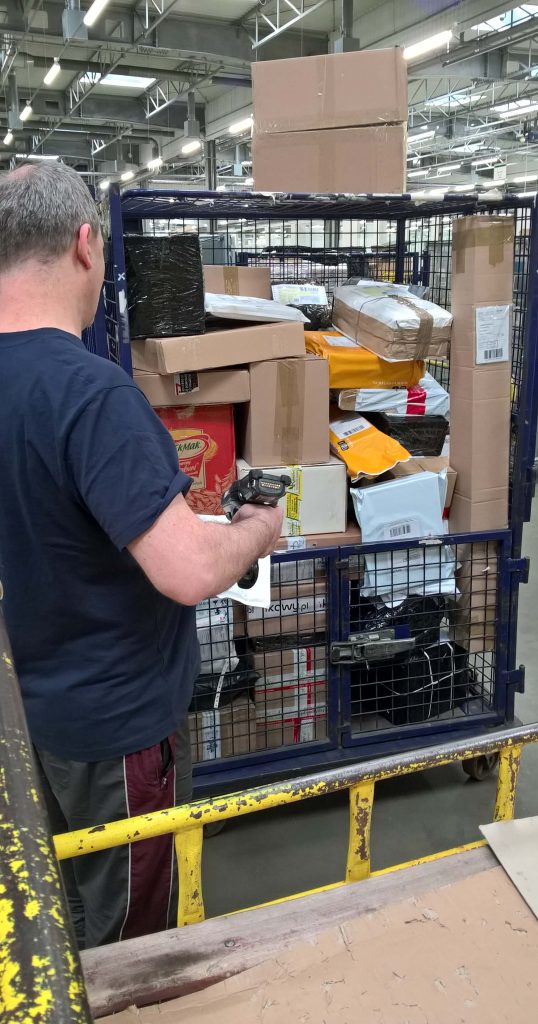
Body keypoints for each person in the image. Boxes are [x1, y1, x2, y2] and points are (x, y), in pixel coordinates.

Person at [0, 162, 283, 949]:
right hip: (111, 723)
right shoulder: (90, 395)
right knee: (132, 936)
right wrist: (257, 528)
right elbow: (188, 570)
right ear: (84, 246)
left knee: (48, 913)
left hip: (23, 714)